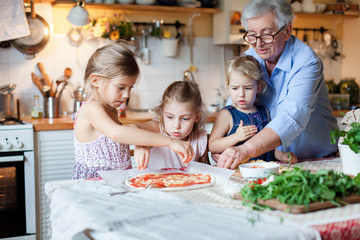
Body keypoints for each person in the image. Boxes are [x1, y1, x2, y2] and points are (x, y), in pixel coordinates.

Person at [217, 0, 338, 169]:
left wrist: (243, 150)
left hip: (314, 162)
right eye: (251, 35)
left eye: (267, 35)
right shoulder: (248, 59)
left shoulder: (306, 62)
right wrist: (223, 147)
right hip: (267, 164)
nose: (258, 44)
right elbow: (234, 111)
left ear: (287, 31)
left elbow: (291, 117)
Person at [72, 43, 194, 179]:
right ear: (96, 80)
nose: (127, 95)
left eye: (130, 88)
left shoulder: (111, 110)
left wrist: (142, 143)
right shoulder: (91, 108)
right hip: (93, 186)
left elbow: (129, 134)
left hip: (114, 183)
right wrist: (171, 141)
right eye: (121, 87)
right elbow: (117, 133)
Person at [209, 55, 297, 163]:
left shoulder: (264, 112)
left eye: (248, 88)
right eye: (235, 88)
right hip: (237, 173)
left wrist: (281, 155)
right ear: (228, 88)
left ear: (258, 88)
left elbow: (266, 147)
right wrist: (236, 137)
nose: (241, 94)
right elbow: (213, 146)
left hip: (264, 172)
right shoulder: (226, 114)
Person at [132, 80, 208, 170]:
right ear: (162, 112)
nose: (176, 126)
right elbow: (131, 129)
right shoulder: (157, 129)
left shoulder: (200, 140)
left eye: (185, 119)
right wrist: (140, 144)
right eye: (170, 117)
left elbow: (203, 173)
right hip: (154, 183)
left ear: (197, 116)